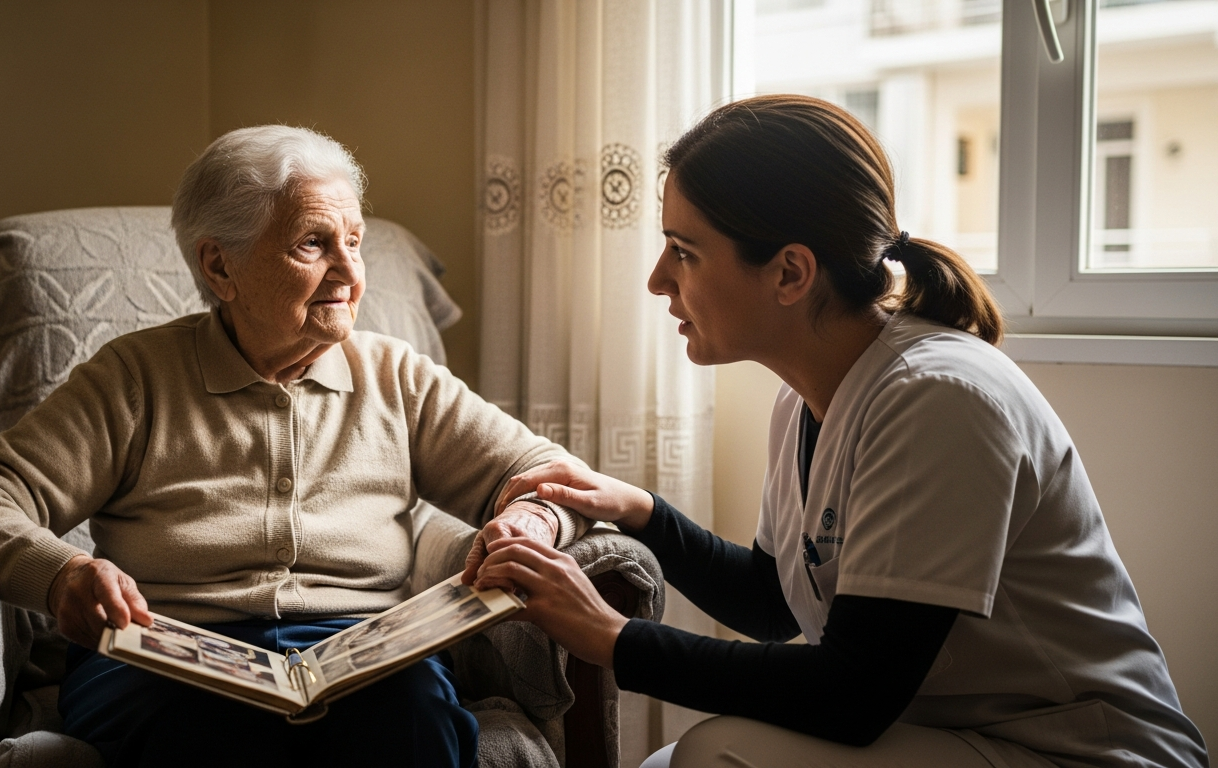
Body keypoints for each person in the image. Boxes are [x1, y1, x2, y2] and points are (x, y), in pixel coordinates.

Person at [468, 95, 1208, 768]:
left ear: (791, 273)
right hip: (961, 736)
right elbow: (773, 600)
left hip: (1078, 751)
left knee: (711, 755)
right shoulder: (809, 396)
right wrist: (641, 512)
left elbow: (852, 693)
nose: (659, 279)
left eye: (684, 251)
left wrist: (610, 637)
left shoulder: (937, 400)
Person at [0, 125, 589, 768]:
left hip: (364, 655)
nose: (349, 272)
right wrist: (59, 573)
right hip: (168, 661)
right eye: (313, 244)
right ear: (220, 266)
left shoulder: (396, 377)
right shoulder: (134, 380)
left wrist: (531, 520)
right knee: (215, 734)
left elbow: (546, 472)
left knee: (411, 716)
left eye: (355, 242)